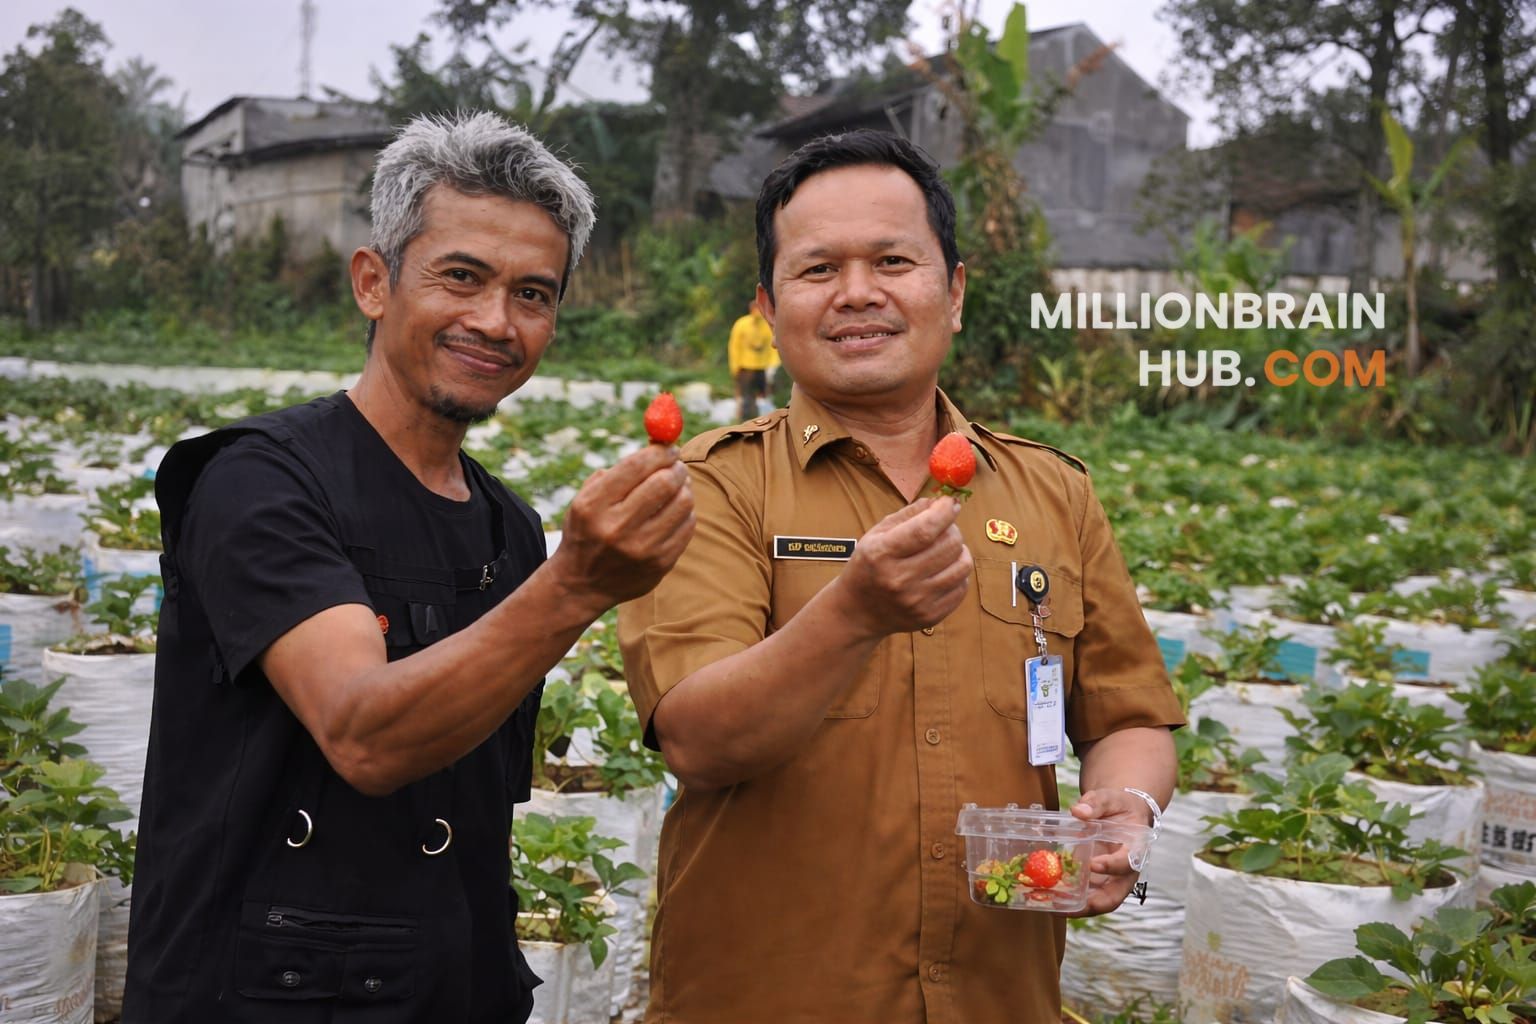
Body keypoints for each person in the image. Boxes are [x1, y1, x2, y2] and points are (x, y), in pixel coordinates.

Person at [123, 112, 695, 1024]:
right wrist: (578, 584)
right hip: (263, 995)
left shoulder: (509, 528)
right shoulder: (259, 483)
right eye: (461, 276)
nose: (495, 322)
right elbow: (364, 736)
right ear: (374, 282)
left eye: (533, 294)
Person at [618, 129, 1182, 1023]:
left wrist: (1129, 808)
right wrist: (853, 612)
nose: (857, 293)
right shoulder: (708, 486)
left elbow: (1128, 714)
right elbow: (699, 737)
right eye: (818, 269)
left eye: (892, 261)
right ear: (767, 307)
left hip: (998, 997)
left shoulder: (1053, 492)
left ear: (953, 293)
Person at [727, 297, 780, 420]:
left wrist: (773, 365)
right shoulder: (741, 324)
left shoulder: (768, 325)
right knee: (747, 397)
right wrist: (735, 366)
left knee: (764, 396)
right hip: (746, 367)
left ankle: (766, 421)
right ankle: (747, 421)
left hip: (763, 367)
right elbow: (734, 347)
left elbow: (773, 346)